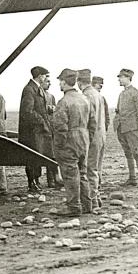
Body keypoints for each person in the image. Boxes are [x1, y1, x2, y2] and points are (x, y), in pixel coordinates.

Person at [51, 69, 91, 216]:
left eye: (60, 81)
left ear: (63, 81)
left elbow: (60, 127)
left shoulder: (64, 102)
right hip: (83, 138)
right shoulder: (84, 99)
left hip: (69, 139)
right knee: (82, 173)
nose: (59, 84)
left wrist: (59, 145)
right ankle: (87, 204)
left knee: (70, 174)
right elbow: (91, 122)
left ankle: (74, 207)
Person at [18, 66, 51, 192]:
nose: (46, 78)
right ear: (40, 76)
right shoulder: (29, 89)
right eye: (45, 76)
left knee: (37, 156)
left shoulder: (36, 89)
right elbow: (27, 111)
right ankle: (32, 182)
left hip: (38, 131)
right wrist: (42, 121)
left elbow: (39, 107)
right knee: (31, 157)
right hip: (31, 131)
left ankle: (36, 181)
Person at [113, 68, 138, 187]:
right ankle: (132, 178)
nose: (119, 79)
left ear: (128, 78)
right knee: (127, 153)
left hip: (132, 128)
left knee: (137, 153)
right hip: (122, 128)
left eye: (121, 77)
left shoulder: (136, 93)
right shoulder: (121, 94)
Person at [77, 69, 101, 212]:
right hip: (98, 136)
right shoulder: (97, 94)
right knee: (94, 169)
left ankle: (92, 201)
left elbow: (88, 120)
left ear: (80, 82)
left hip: (90, 138)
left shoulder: (86, 96)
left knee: (89, 170)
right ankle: (96, 198)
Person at [41, 78, 63, 187]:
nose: (49, 84)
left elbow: (56, 112)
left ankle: (54, 179)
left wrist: (54, 109)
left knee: (53, 155)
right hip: (42, 130)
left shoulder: (51, 96)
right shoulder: (39, 96)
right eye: (47, 81)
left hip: (51, 129)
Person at [92, 75, 111, 187]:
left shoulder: (101, 98)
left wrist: (104, 129)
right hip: (97, 134)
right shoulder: (93, 97)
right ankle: (96, 181)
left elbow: (107, 116)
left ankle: (97, 180)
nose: (100, 87)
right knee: (95, 160)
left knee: (97, 160)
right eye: (99, 85)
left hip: (99, 134)